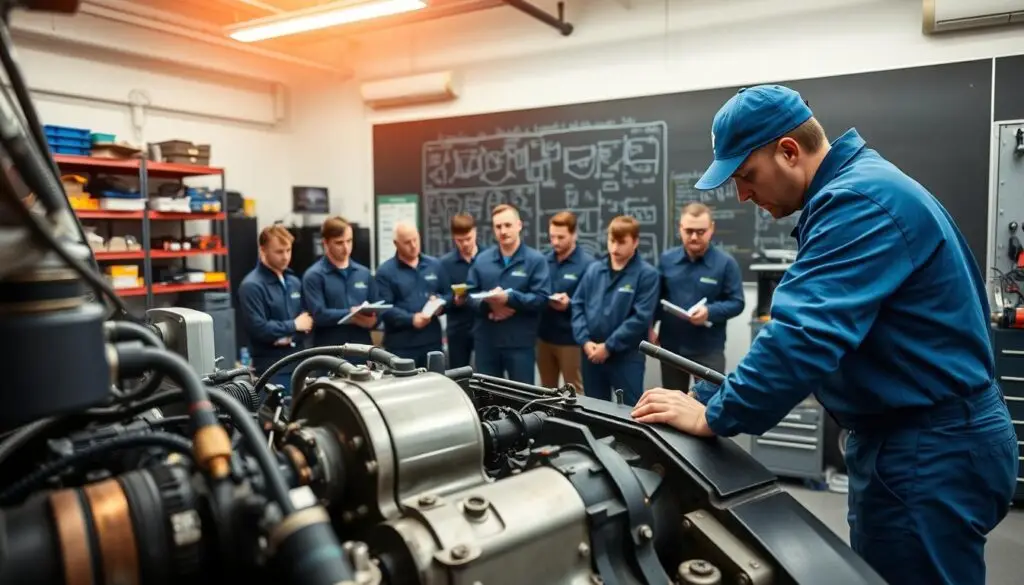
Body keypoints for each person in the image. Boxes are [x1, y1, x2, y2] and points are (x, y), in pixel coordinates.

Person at [630, 84, 1018, 585]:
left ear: (788, 151)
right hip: (923, 440)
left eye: (746, 176)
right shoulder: (863, 186)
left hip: (927, 451)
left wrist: (715, 414)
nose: (742, 195)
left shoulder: (856, 202)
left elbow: (804, 335)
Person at [652, 203, 744, 389]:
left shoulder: (726, 263)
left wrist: (709, 312)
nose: (694, 237)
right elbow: (654, 298)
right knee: (672, 406)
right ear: (680, 229)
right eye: (689, 231)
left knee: (708, 407)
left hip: (708, 350)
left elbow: (737, 302)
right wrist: (650, 326)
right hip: (672, 347)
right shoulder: (666, 260)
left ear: (712, 229)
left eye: (701, 231)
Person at [571, 215, 660, 405]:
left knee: (629, 412)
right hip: (591, 355)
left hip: (626, 358)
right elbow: (577, 304)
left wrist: (609, 346)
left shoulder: (647, 275)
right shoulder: (594, 270)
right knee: (594, 410)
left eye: (621, 242)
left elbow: (640, 318)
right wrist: (585, 341)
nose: (614, 248)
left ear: (635, 242)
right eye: (611, 241)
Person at [466, 204, 550, 383]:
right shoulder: (482, 260)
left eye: (508, 225)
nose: (503, 231)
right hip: (487, 342)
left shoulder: (535, 260)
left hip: (519, 343)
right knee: (487, 399)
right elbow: (469, 294)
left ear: (519, 225)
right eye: (498, 226)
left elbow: (542, 299)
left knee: (522, 399)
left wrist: (510, 298)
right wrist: (490, 305)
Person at [238, 224, 312, 394]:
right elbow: (259, 328)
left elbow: (307, 321)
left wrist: (284, 333)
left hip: (299, 362)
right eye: (279, 252)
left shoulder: (294, 282)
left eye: (288, 250)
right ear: (262, 250)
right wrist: (293, 326)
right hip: (271, 368)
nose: (285, 257)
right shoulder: (251, 286)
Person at [376, 222, 450, 368]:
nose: (413, 245)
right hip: (401, 346)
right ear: (396, 244)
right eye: (407, 242)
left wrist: (441, 304)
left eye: (415, 239)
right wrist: (411, 319)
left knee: (435, 386)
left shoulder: (434, 265)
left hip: (432, 343)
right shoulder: (385, 272)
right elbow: (384, 308)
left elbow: (448, 294)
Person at [301, 216, 379, 351]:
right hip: (329, 352)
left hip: (362, 350)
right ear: (325, 243)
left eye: (349, 241)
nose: (346, 248)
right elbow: (319, 315)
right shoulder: (314, 276)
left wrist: (374, 321)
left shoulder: (363, 273)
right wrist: (351, 314)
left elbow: (377, 308)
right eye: (339, 243)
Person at [537, 211, 594, 392]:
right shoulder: (543, 260)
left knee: (575, 391)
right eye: (552, 236)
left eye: (561, 237)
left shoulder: (588, 264)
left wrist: (569, 304)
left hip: (572, 340)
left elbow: (592, 304)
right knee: (546, 391)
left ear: (574, 234)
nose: (555, 242)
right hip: (544, 337)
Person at [439, 213, 480, 369]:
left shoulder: (487, 258)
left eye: (468, 239)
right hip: (457, 329)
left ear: (475, 232)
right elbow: (443, 296)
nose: (464, 244)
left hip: (483, 326)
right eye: (459, 240)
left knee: (486, 375)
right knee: (458, 375)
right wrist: (453, 300)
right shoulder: (445, 263)